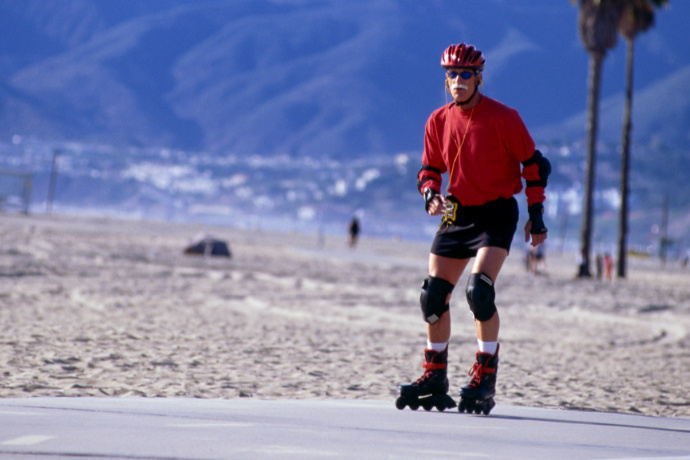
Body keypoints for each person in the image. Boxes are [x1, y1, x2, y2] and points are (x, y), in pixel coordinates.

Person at [396, 43, 550, 414]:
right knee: (432, 296)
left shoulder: (504, 117)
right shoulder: (437, 121)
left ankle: (485, 377)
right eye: (452, 74)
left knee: (479, 292)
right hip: (456, 210)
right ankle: (434, 377)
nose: (458, 81)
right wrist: (430, 194)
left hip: (497, 211)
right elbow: (429, 170)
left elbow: (534, 166)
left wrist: (537, 215)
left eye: (466, 74)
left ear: (479, 78)